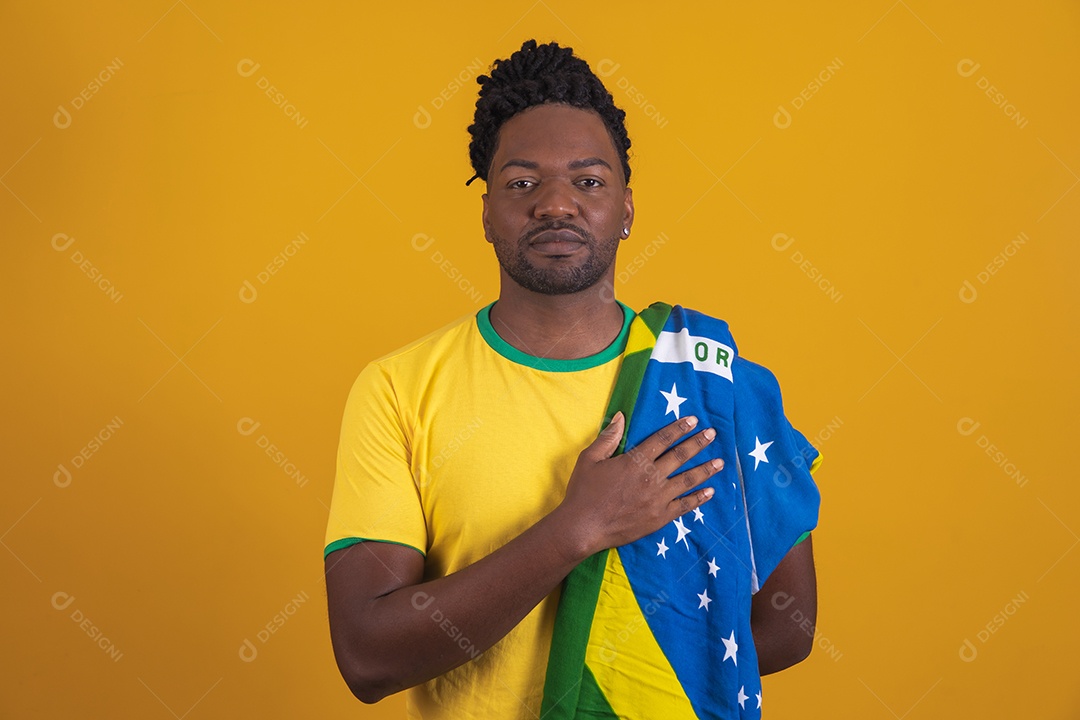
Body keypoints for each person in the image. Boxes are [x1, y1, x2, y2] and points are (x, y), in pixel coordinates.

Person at [323, 39, 819, 719]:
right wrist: (577, 528)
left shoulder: (710, 380)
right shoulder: (398, 389)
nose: (556, 205)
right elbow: (368, 655)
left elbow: (789, 624)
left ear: (626, 209)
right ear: (488, 212)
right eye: (523, 183)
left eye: (588, 180)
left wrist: (630, 680)